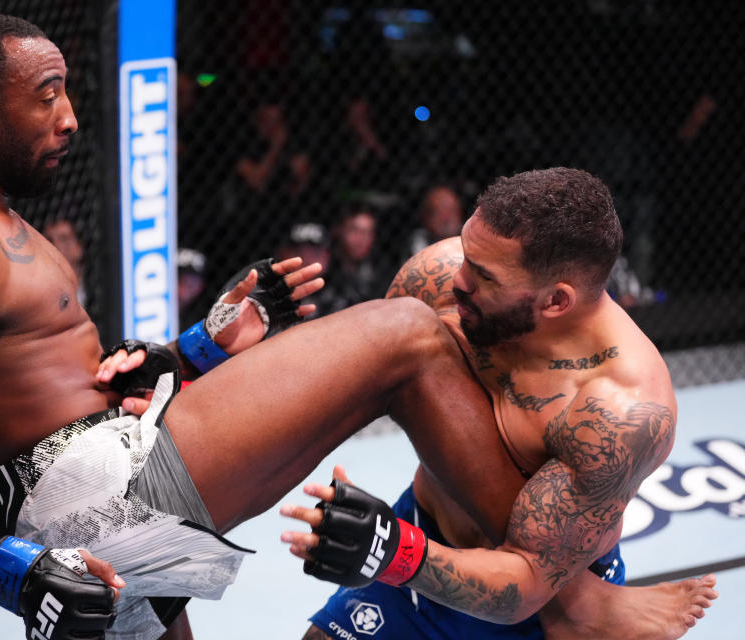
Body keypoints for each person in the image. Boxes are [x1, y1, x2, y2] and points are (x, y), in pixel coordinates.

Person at [0, 13, 713, 640]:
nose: (71, 117)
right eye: (45, 95)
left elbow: (39, 382)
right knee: (409, 333)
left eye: (67, 90)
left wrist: (192, 351)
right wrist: (6, 568)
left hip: (102, 468)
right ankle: (575, 606)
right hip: (80, 492)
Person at [280, 168, 718, 640]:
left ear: (555, 301)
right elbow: (375, 379)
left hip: (541, 586)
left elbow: (527, 581)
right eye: (466, 253)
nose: (458, 280)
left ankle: (587, 611)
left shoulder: (616, 410)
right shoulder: (437, 275)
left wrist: (393, 552)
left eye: (483, 276)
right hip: (427, 526)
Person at [42, 217, 87, 307]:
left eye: (64, 239)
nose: (56, 246)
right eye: (50, 241)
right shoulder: (42, 290)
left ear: (79, 245)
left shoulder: (99, 286)